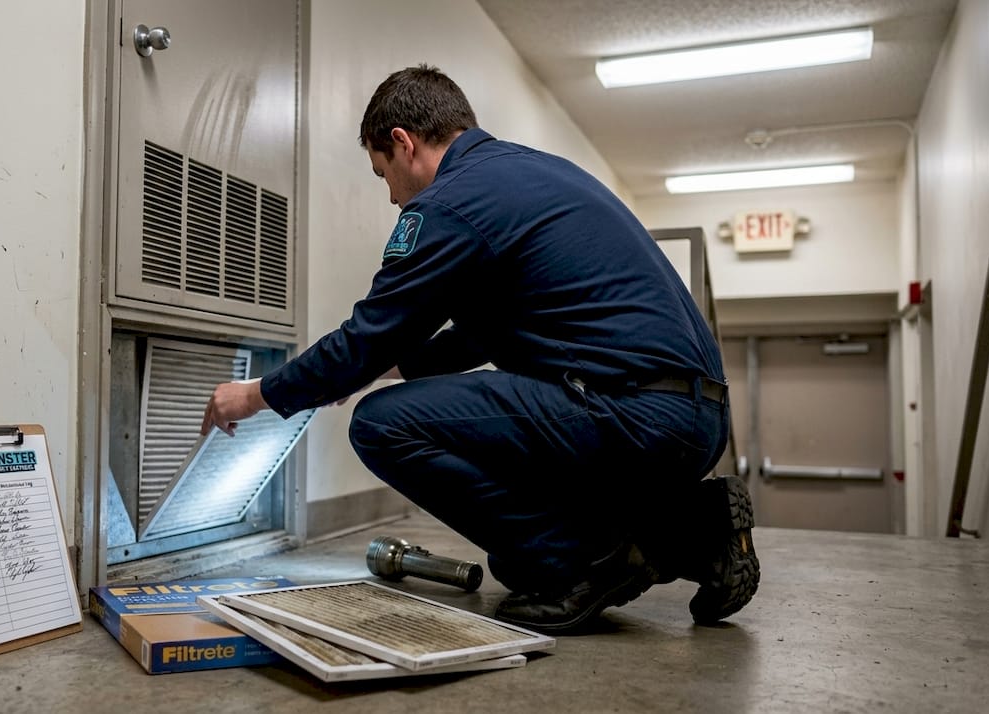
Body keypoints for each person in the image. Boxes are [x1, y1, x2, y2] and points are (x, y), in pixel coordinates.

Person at [201, 64, 758, 634]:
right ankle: (697, 529)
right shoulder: (533, 173)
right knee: (514, 563)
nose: (392, 196)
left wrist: (255, 396)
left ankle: (587, 563)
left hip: (630, 414)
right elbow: (478, 338)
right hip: (696, 419)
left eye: (382, 174)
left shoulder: (448, 204)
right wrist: (380, 369)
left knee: (381, 426)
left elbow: (367, 334)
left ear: (404, 143)